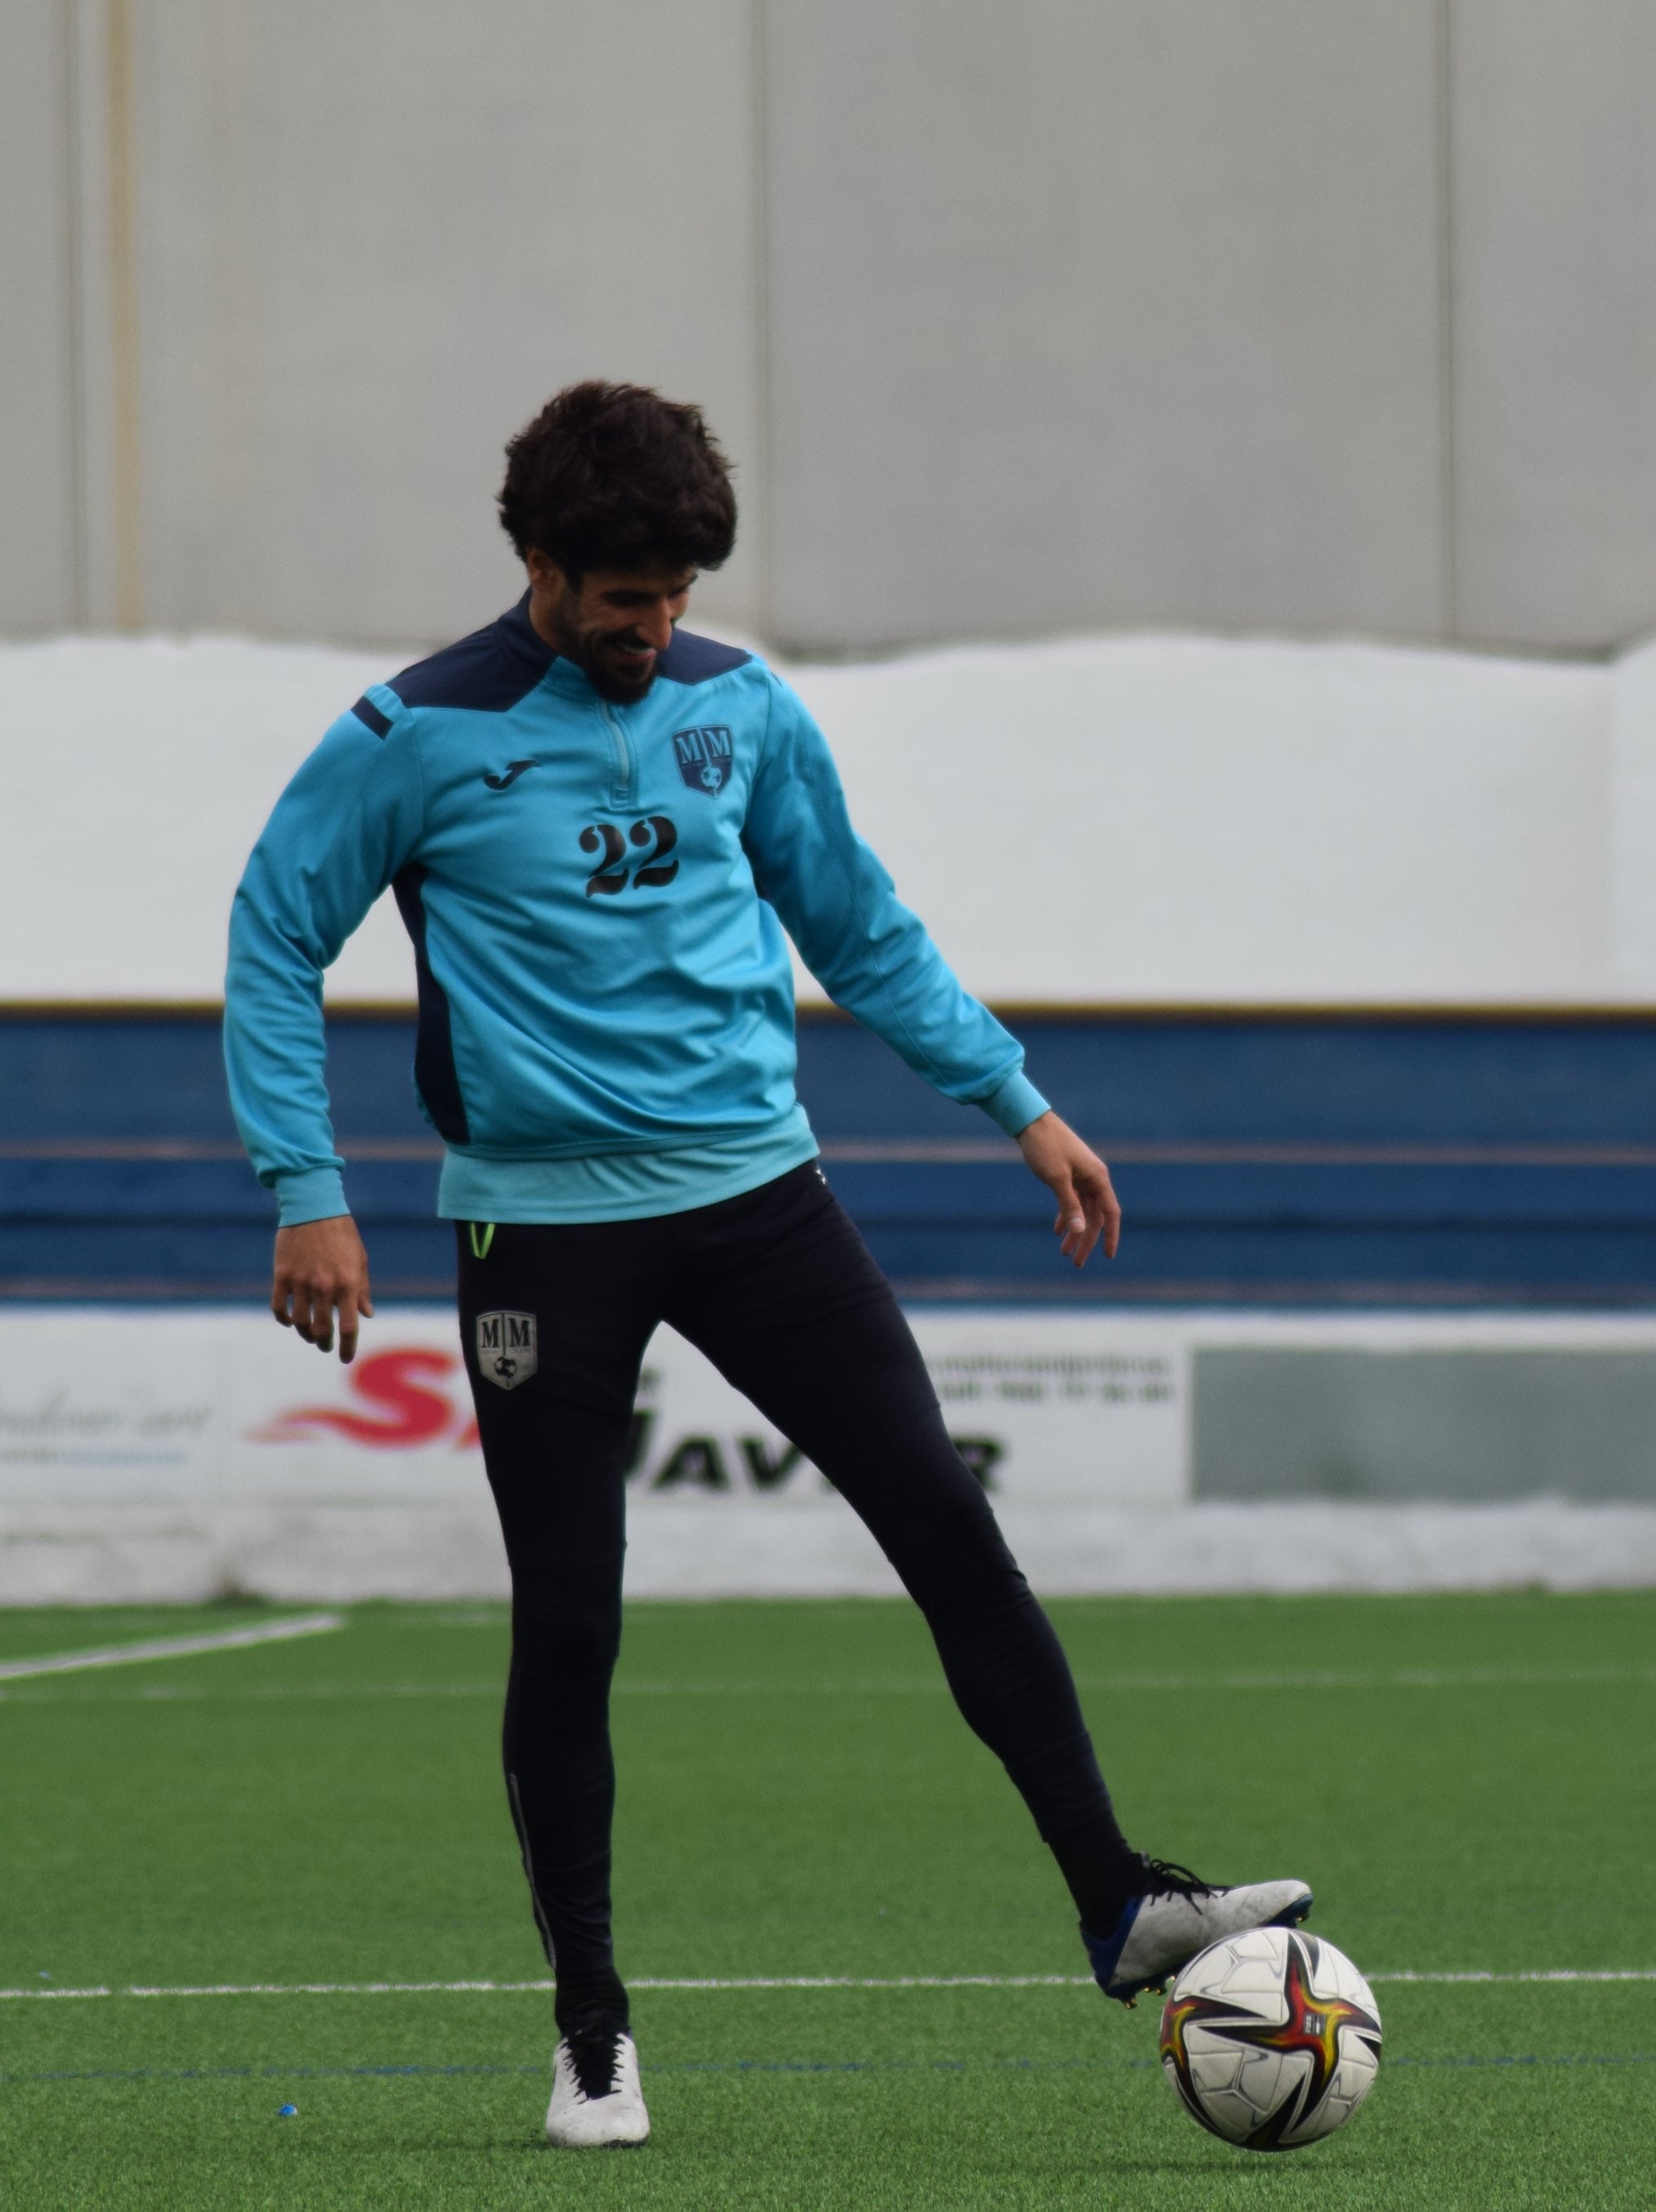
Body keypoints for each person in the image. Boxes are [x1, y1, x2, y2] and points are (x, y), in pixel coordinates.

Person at [222, 381, 1310, 2149]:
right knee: (571, 1623)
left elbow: (855, 923)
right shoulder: (411, 735)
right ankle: (589, 2027)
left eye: (673, 593)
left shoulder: (743, 713)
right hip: (535, 1231)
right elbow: (273, 934)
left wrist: (1014, 1102)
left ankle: (1119, 1904)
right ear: (539, 563)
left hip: (758, 1203)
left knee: (942, 1524)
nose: (650, 625)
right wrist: (305, 1186)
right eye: (620, 594)